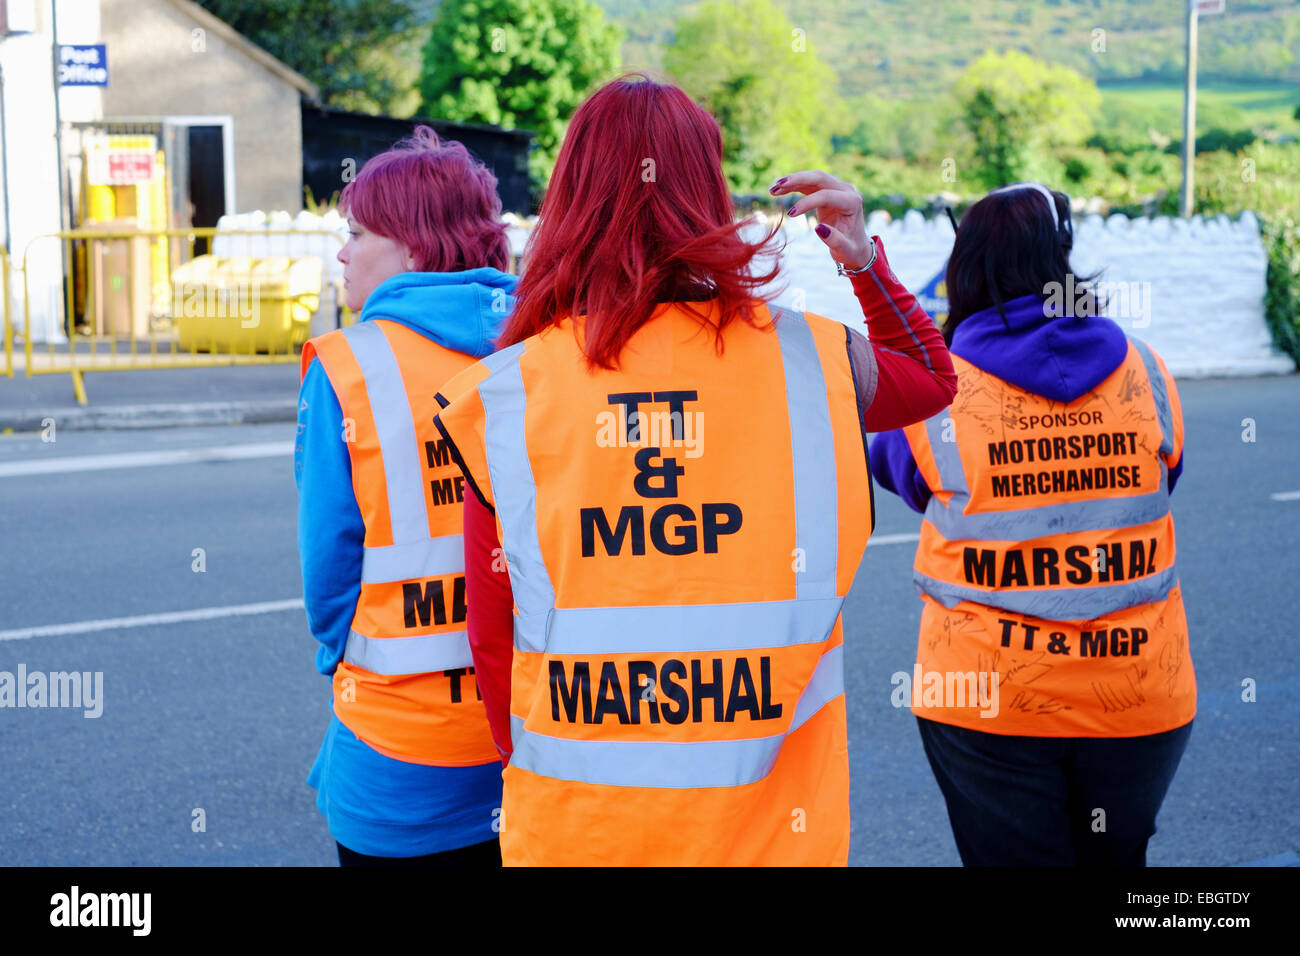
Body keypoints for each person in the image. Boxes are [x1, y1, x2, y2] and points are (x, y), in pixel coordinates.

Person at [431, 74, 958, 866]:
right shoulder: (809, 361)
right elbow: (931, 377)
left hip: (581, 834)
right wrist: (860, 262)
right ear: (708, 191)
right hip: (774, 837)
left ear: (573, 196)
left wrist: (534, 765)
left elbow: (493, 635)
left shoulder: (514, 389)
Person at [871, 181, 1196, 866]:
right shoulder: (1147, 372)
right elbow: (1163, 476)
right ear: (1064, 259)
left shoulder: (941, 396)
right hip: (1138, 695)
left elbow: (894, 466)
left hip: (989, 701)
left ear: (963, 271)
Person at [294, 126, 515, 867]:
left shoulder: (349, 366)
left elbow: (329, 569)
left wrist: (347, 659)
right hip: (539, 734)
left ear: (415, 249)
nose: (343, 252)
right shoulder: (546, 343)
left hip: (401, 745)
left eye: (356, 232)